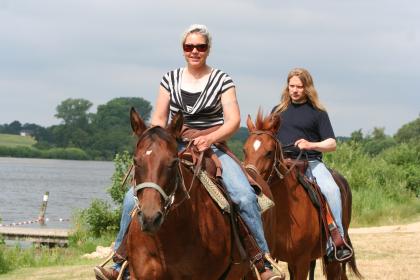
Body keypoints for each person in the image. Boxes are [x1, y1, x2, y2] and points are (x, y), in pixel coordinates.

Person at [94, 24, 284, 280]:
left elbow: (233, 120)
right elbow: (160, 118)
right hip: (175, 144)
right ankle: (119, 260)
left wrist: (210, 138)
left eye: (200, 47)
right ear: (183, 49)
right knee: (131, 198)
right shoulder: (169, 79)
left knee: (243, 195)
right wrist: (161, 142)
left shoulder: (222, 80)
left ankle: (261, 262)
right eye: (189, 46)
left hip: (213, 146)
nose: (195, 51)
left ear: (208, 50)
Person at [272, 67, 352, 260]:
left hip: (310, 163)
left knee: (332, 190)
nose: (295, 90)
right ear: (287, 87)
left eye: (299, 86)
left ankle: (337, 242)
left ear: (307, 88)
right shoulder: (277, 111)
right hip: (281, 163)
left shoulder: (318, 113)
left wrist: (311, 144)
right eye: (292, 86)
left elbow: (331, 143)